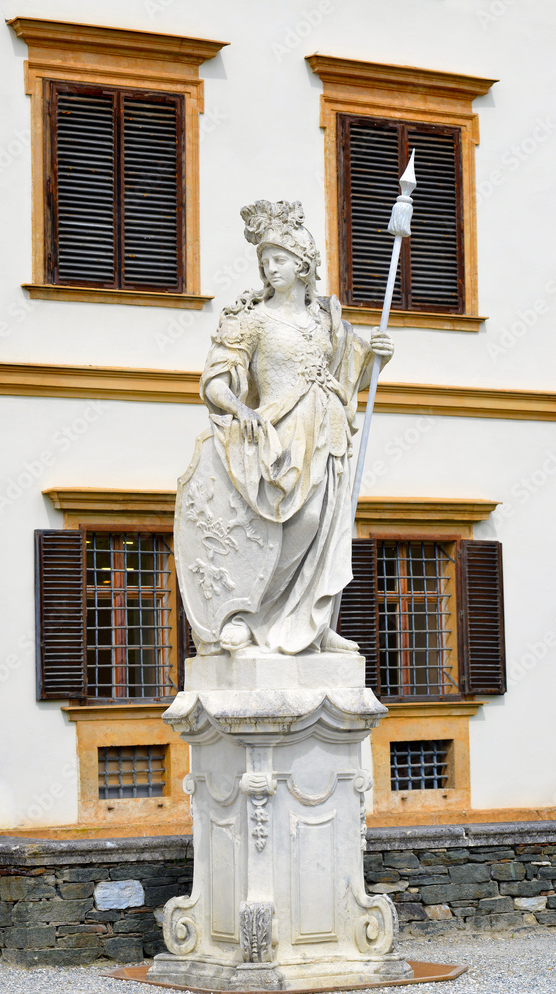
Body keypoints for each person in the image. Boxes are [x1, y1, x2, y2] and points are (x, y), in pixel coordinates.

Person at [177, 199, 393, 655]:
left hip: (327, 428)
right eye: (264, 261)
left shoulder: (327, 321)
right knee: (290, 523)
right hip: (278, 430)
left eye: (278, 260)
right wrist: (240, 410)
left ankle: (312, 620)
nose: (269, 268)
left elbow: (352, 370)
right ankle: (255, 618)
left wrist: (377, 355)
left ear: (302, 264)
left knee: (327, 524)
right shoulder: (249, 319)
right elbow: (216, 380)